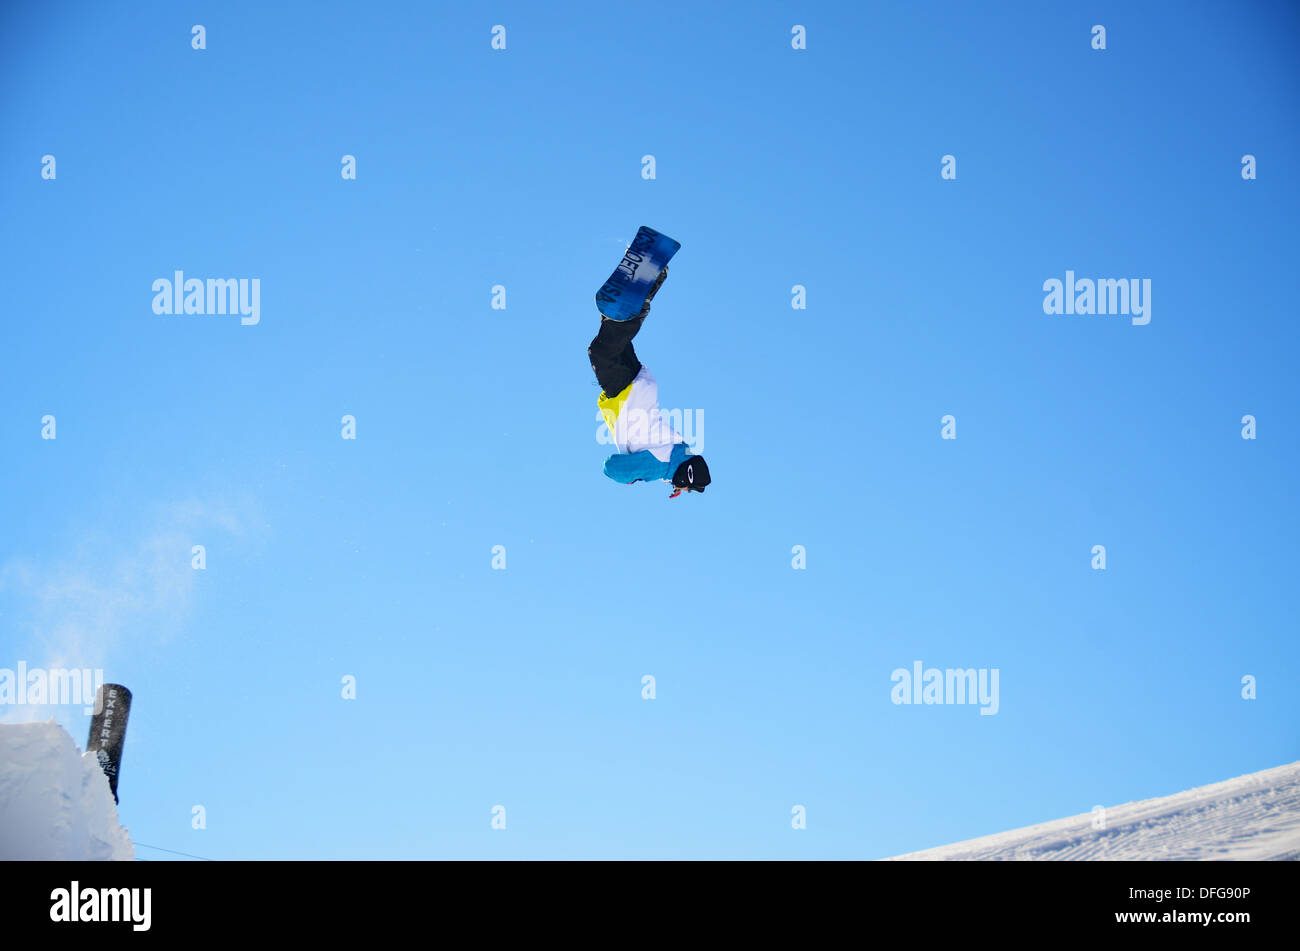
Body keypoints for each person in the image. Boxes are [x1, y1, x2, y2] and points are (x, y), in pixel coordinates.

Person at [587, 267, 711, 498]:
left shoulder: (676, 451)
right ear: (685, 476)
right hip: (628, 394)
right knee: (601, 351)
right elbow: (611, 467)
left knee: (614, 333)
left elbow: (674, 463)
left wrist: (672, 480)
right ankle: (639, 299)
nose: (683, 489)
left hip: (639, 386)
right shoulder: (659, 466)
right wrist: (633, 478)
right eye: (686, 487)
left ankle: (646, 280)